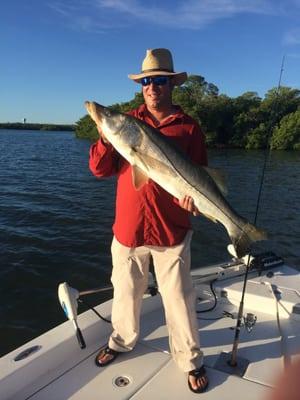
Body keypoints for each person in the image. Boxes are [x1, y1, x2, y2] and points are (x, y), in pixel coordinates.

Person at [89, 48, 209, 393]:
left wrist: (194, 202)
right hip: (128, 230)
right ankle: (121, 341)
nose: (152, 87)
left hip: (171, 230)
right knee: (125, 293)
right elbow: (99, 169)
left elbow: (200, 175)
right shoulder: (126, 124)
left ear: (171, 84)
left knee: (179, 300)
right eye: (146, 82)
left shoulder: (188, 128)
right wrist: (104, 133)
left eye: (158, 80)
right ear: (141, 87)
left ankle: (189, 359)